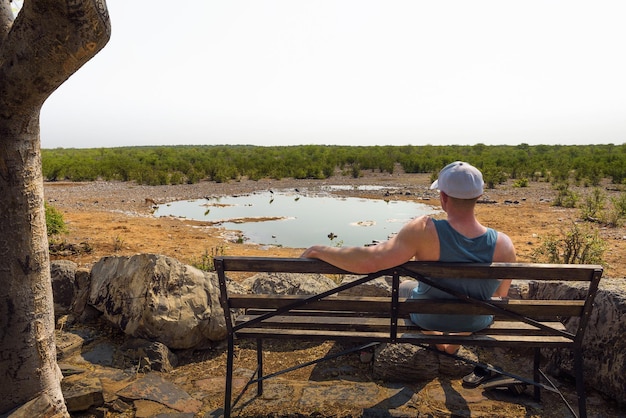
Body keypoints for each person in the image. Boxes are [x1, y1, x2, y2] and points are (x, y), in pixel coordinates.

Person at [300, 161, 516, 355]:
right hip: (476, 321)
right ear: (478, 196)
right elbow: (500, 295)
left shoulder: (423, 230)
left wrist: (318, 250)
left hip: (429, 317)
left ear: (443, 197)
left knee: (405, 286)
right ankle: (452, 346)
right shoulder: (504, 244)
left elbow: (370, 261)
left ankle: (438, 342)